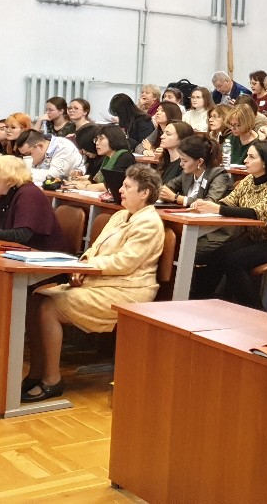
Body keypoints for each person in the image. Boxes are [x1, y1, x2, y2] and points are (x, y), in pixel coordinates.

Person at [21, 164, 164, 402]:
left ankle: (52, 380)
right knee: (37, 297)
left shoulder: (149, 222)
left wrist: (86, 269)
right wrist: (83, 266)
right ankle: (36, 372)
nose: (120, 190)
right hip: (101, 281)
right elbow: (95, 249)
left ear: (145, 193)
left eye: (127, 186)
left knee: (49, 308)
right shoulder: (120, 215)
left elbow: (125, 263)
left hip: (128, 290)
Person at [190, 141, 267, 306]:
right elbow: (229, 201)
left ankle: (255, 310)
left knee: (235, 262)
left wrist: (218, 209)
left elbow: (255, 213)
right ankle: (200, 302)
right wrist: (207, 205)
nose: (245, 160)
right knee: (217, 254)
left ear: (265, 162)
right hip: (257, 237)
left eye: (251, 157)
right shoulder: (249, 180)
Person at [0, 155, 69, 250]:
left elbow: (21, 235)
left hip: (43, 258)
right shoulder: (4, 193)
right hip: (15, 254)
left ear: (8, 179)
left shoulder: (29, 194)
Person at [158, 135, 234, 209]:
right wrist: (163, 192)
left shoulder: (219, 175)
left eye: (185, 161)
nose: (181, 164)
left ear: (200, 161)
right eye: (180, 159)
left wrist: (177, 198)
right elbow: (168, 187)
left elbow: (210, 203)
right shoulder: (187, 174)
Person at [67, 124, 136, 192]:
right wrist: (74, 183)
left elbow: (110, 186)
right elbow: (94, 180)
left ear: (113, 138)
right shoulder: (107, 158)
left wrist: (84, 187)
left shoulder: (124, 157)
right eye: (96, 139)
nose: (97, 143)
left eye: (101, 139)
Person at [15, 130, 86, 180]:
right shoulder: (39, 152)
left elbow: (55, 175)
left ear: (40, 146)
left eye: (28, 154)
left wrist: (23, 173)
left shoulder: (63, 146)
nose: (26, 158)